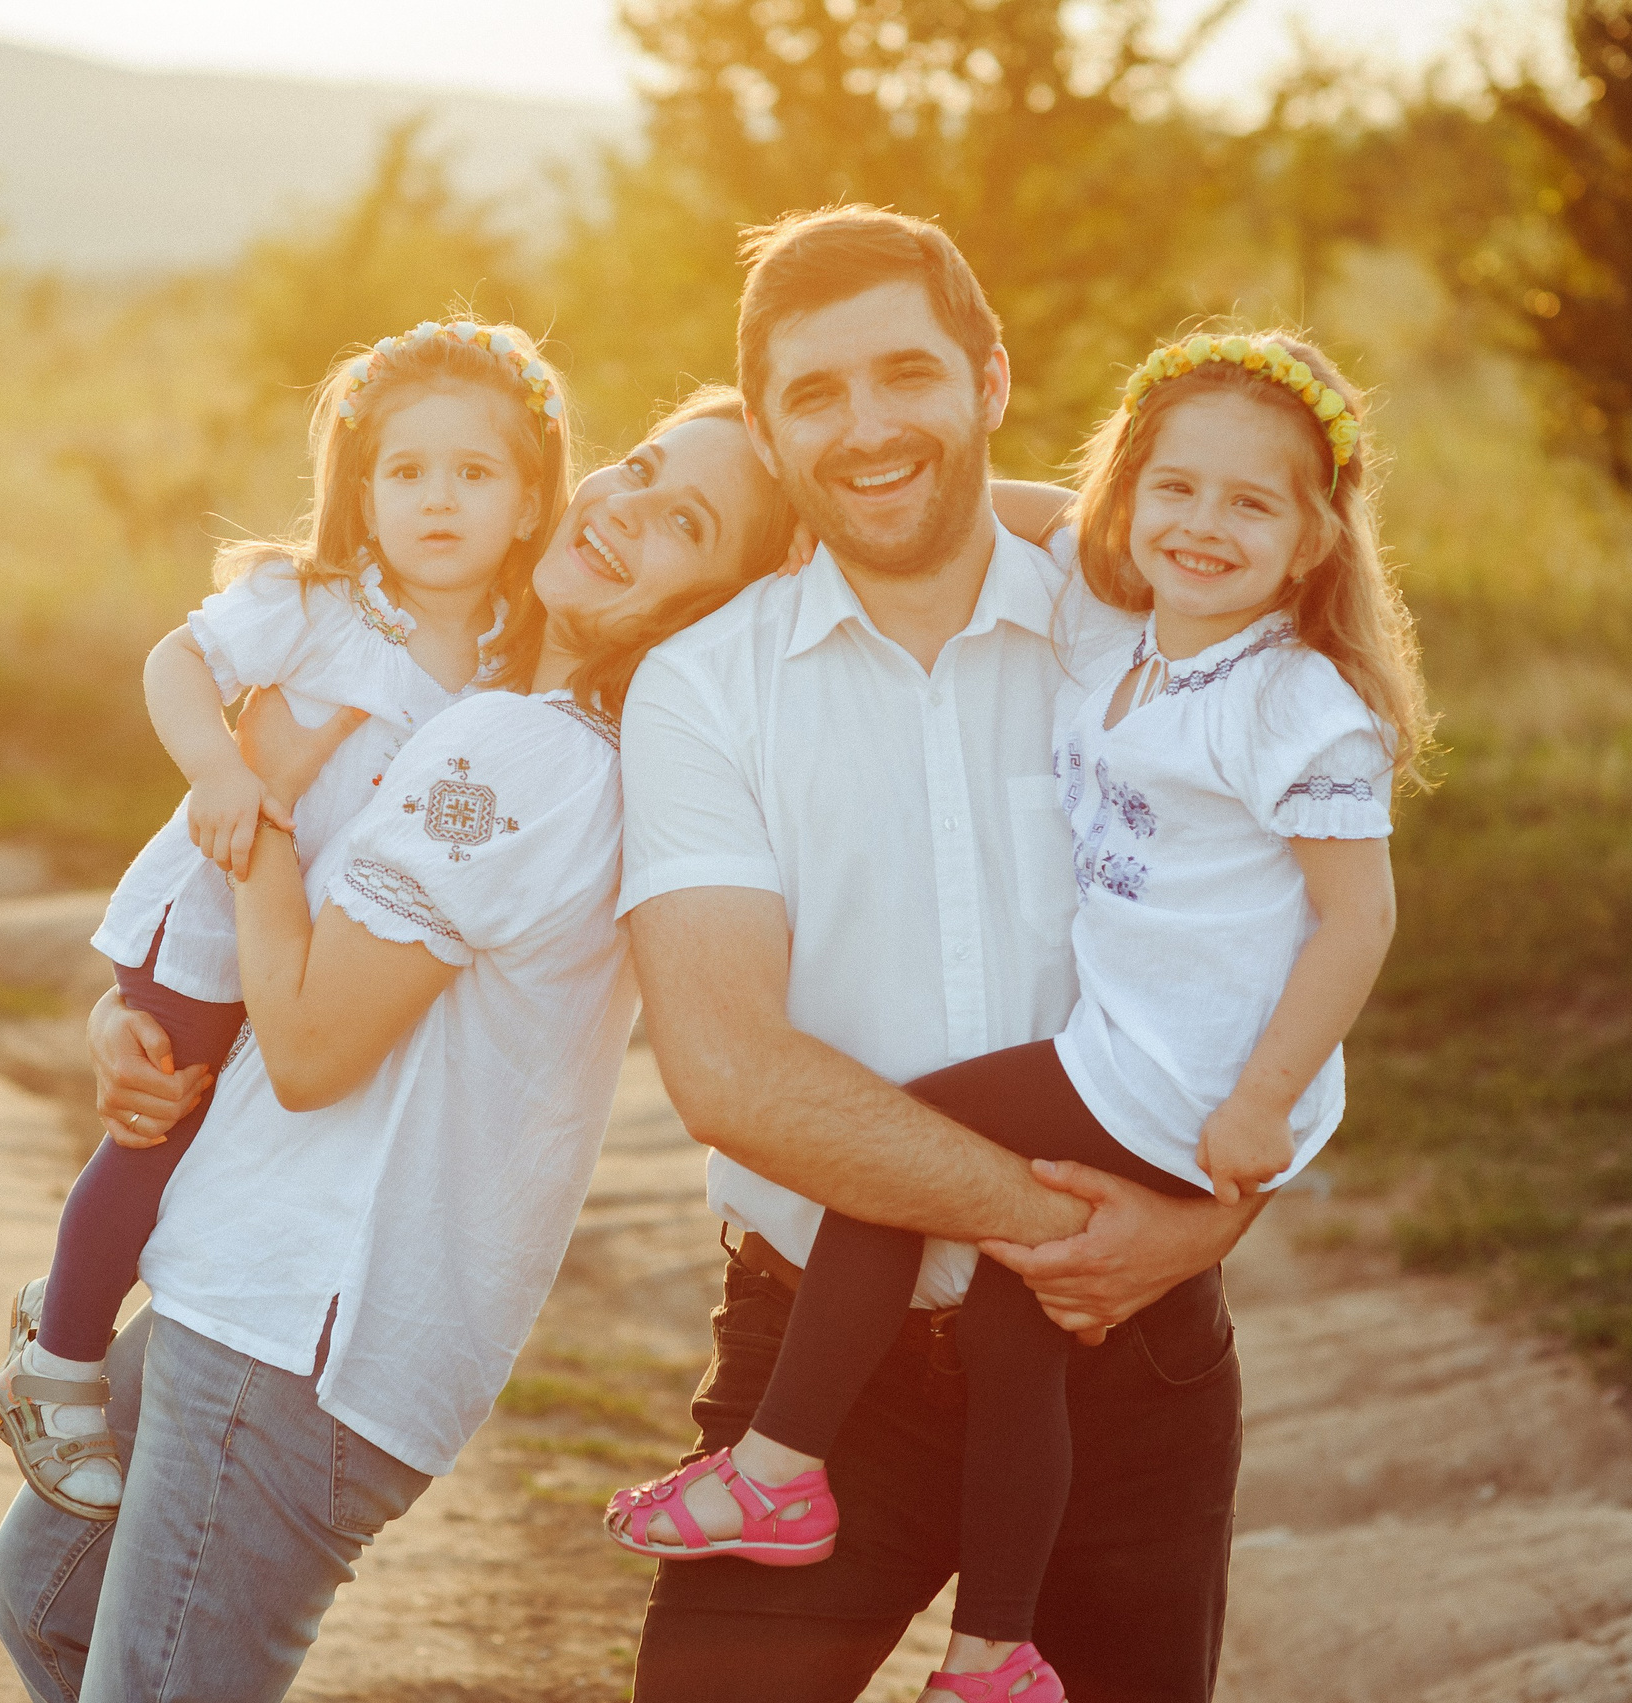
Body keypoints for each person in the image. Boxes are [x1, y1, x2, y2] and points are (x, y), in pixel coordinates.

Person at [607, 328, 1434, 1702]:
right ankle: (975, 1637)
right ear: (767, 425)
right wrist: (1095, 1228)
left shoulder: (1180, 649)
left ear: (991, 382)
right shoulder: (718, 680)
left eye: (907, 374)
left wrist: (1212, 1198)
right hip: (848, 1322)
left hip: (1135, 1335)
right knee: (953, 1261)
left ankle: (795, 1490)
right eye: (818, 393)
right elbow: (733, 1075)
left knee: (905, 1137)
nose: (870, 422)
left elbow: (1325, 928)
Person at [0, 386, 801, 1703]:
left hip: (306, 1321)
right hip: (243, 1275)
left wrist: (262, 801)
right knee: (42, 1601)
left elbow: (310, 1043)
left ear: (717, 605)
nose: (626, 503)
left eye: (686, 520)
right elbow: (283, 991)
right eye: (640, 465)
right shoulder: (498, 718)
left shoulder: (523, 758)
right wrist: (150, 1001)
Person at [0, 316, 570, 1518]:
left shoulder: (520, 653)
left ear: (527, 501)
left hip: (316, 953)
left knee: (224, 1156)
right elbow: (173, 662)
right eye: (404, 472)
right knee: (161, 1134)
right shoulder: (316, 604)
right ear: (361, 490)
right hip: (222, 907)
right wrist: (221, 772)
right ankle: (58, 1363)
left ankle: (68, 1298)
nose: (437, 500)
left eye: (474, 472)